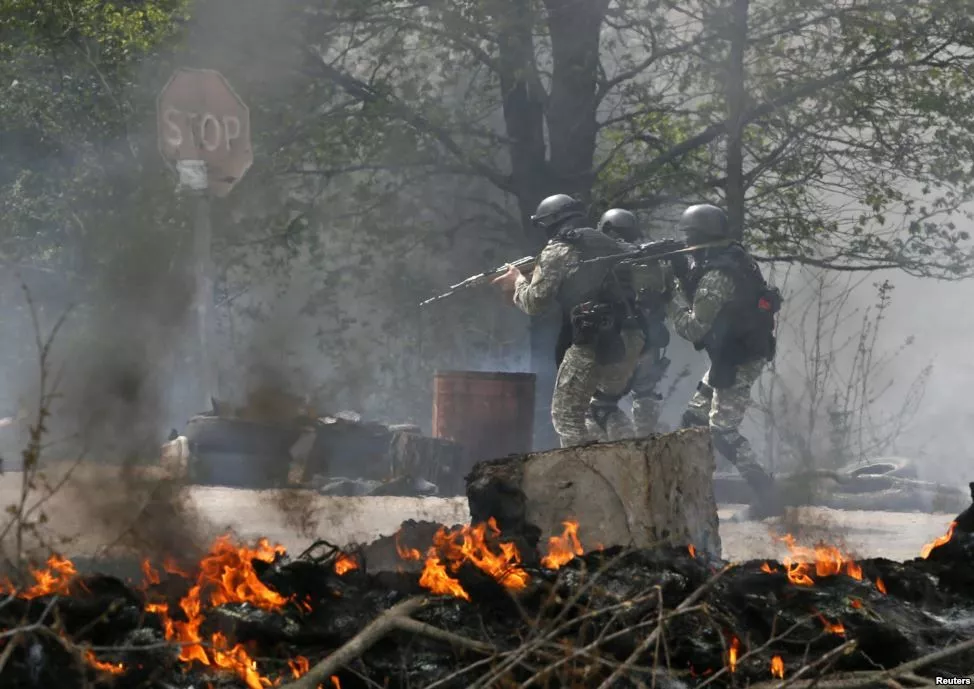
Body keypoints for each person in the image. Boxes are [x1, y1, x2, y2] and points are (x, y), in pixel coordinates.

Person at [491, 194, 646, 447]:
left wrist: (517, 281)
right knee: (602, 408)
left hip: (593, 340)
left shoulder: (558, 249)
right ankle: (629, 461)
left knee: (566, 417)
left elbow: (533, 303)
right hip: (630, 338)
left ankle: (583, 470)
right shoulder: (606, 242)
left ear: (551, 222)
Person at [664, 203, 783, 516]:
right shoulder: (730, 257)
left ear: (698, 236)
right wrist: (682, 275)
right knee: (693, 419)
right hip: (732, 353)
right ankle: (685, 490)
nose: (686, 243)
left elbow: (694, 327)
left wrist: (669, 296)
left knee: (722, 432)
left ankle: (767, 494)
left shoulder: (717, 274)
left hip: (739, 357)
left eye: (689, 236)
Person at [586, 208, 673, 439]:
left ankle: (625, 446)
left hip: (620, 341)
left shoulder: (605, 262)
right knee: (646, 394)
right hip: (651, 341)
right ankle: (648, 444)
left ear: (607, 229)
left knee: (602, 405)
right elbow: (667, 295)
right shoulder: (651, 260)